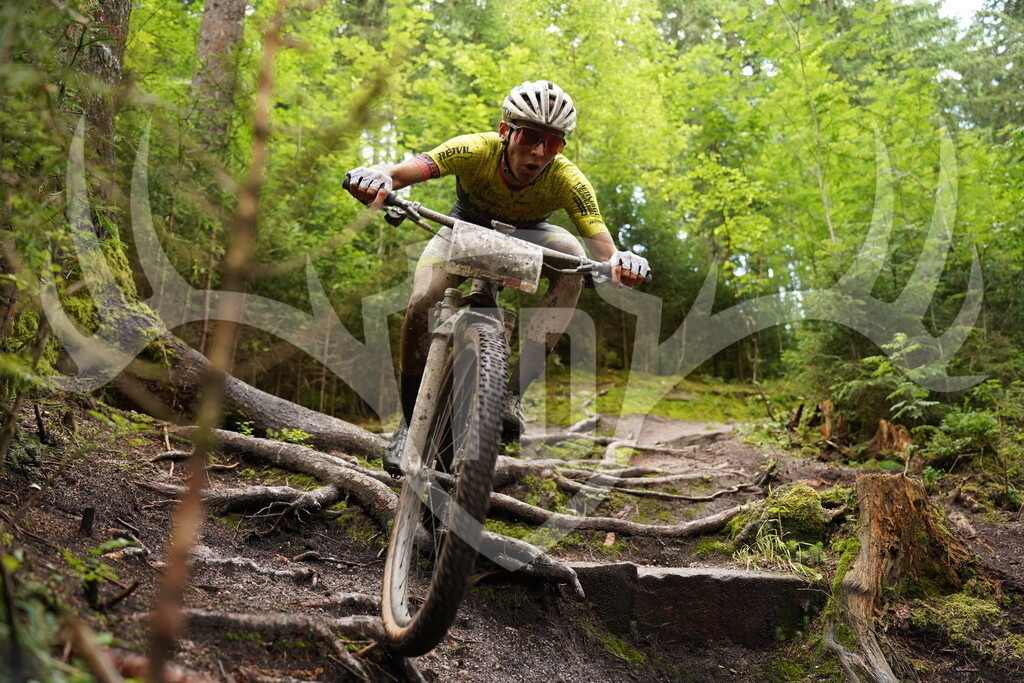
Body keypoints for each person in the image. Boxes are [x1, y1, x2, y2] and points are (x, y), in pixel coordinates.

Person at [345, 80, 649, 472]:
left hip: (531, 235)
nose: (539, 152)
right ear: (506, 131)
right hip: (461, 227)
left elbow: (604, 252)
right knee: (423, 300)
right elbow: (402, 173)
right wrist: (376, 177)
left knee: (574, 260)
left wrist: (624, 262)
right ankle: (409, 422)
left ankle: (510, 396)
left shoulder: (568, 179)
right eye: (530, 137)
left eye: (552, 143)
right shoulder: (474, 148)